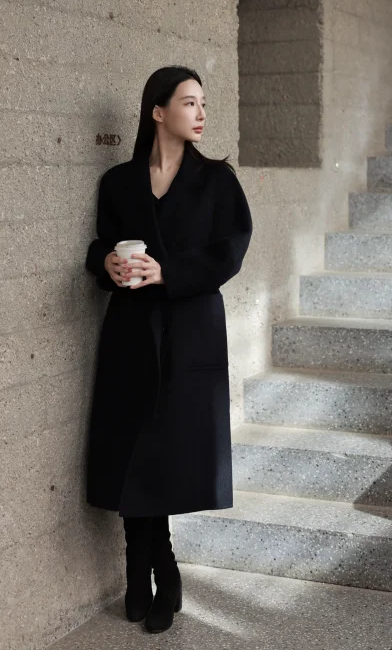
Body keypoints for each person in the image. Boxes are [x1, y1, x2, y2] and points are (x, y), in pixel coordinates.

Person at [84, 66, 253, 634]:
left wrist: (169, 272)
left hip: (190, 331)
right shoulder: (119, 182)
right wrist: (106, 263)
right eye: (189, 102)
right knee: (132, 449)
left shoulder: (216, 181)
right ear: (158, 112)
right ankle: (151, 568)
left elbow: (231, 251)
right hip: (130, 329)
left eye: (203, 103)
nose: (201, 113)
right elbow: (100, 246)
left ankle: (154, 569)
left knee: (164, 454)